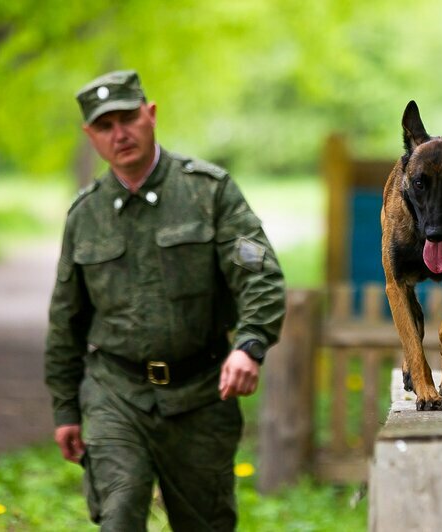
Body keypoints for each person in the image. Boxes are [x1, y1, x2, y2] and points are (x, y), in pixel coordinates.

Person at [44, 70, 286, 530]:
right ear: (90, 135)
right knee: (120, 510)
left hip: (201, 392)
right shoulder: (85, 215)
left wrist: (250, 344)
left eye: (128, 118)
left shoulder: (208, 192)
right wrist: (65, 408)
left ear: (150, 115)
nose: (120, 134)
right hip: (116, 392)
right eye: (104, 126)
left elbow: (259, 276)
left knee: (205, 523)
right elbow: (65, 318)